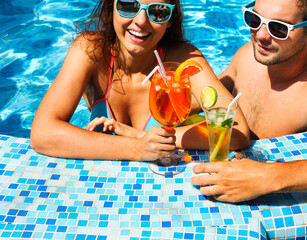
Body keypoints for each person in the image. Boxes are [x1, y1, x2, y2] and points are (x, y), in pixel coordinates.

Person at [30, 0, 250, 161]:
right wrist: (136, 147)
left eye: (158, 11)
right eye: (128, 5)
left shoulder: (183, 60)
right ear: (111, 6)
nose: (141, 21)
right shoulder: (90, 52)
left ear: (170, 19)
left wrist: (144, 137)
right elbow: (42, 133)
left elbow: (237, 133)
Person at [191, 0, 307, 202]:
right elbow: (209, 98)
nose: (261, 35)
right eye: (255, 19)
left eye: (279, 28)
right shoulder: (248, 55)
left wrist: (268, 177)